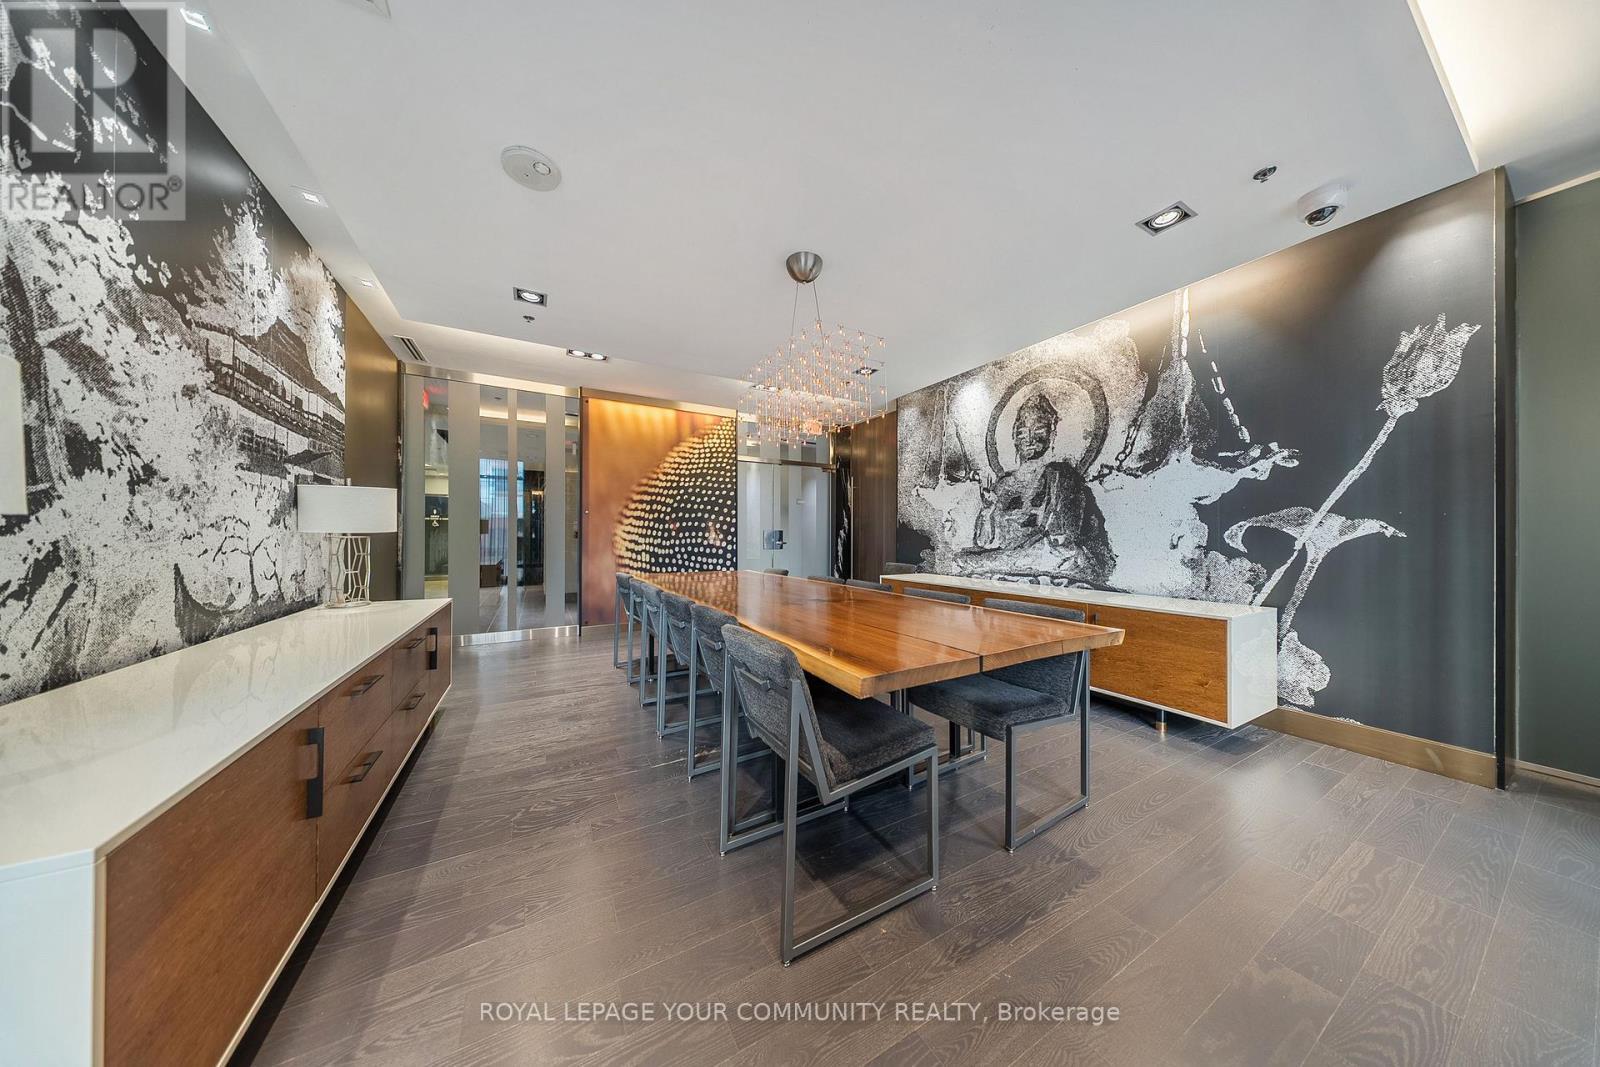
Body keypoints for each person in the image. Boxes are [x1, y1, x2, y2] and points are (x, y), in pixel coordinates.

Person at [965, 392, 1115, 582]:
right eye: (1022, 431)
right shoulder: (1002, 485)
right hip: (1010, 557)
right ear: (1013, 435)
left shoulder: (1062, 476)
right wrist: (988, 511)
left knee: (1060, 556)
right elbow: (984, 543)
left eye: (1039, 430)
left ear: (1052, 434)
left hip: (1046, 555)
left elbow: (1062, 538)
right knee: (966, 560)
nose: (1029, 438)